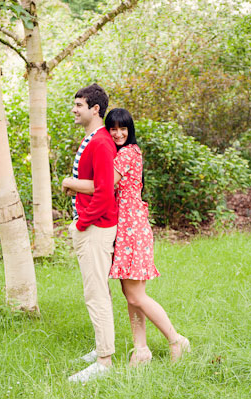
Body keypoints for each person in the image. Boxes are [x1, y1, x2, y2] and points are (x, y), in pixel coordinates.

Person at [63, 108, 190, 367]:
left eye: (123, 128)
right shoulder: (122, 153)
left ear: (130, 130)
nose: (118, 133)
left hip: (132, 226)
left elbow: (104, 185)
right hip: (125, 227)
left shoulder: (128, 153)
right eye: (113, 129)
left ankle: (177, 340)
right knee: (130, 292)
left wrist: (70, 183)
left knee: (136, 296)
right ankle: (140, 350)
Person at [63, 84, 118, 383]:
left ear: (95, 109)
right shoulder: (92, 139)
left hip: (95, 227)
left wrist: (82, 223)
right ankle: (101, 350)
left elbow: (105, 191)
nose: (74, 109)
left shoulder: (100, 142)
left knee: (95, 294)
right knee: (98, 292)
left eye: (79, 105)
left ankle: (105, 363)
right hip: (90, 225)